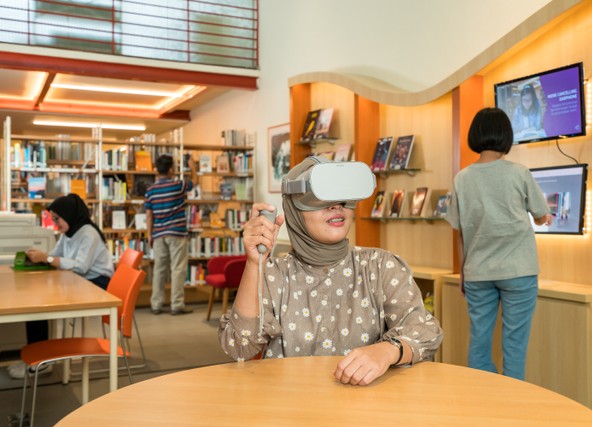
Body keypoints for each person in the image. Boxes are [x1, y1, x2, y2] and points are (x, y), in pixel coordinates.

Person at [218, 156, 443, 386]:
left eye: (343, 196)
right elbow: (239, 347)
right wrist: (255, 263)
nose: (336, 206)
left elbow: (425, 331)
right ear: (295, 210)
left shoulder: (381, 266)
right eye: (320, 196)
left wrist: (388, 350)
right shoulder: (274, 275)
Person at [444, 107, 552, 380]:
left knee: (479, 343)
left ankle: (483, 403)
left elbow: (459, 231)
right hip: (519, 271)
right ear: (506, 136)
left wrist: (463, 273)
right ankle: (512, 411)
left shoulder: (462, 178)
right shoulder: (519, 173)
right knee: (514, 346)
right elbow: (540, 217)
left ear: (475, 135)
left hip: (478, 272)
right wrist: (544, 215)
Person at [7, 193, 114, 379]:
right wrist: (41, 257)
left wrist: (47, 258)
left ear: (69, 213)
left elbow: (81, 266)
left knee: (39, 304)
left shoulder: (88, 233)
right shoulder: (69, 232)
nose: (55, 223)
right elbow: (56, 255)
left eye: (57, 218)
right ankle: (38, 358)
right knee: (37, 301)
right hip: (81, 279)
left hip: (98, 284)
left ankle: (41, 361)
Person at [145, 154, 198, 315]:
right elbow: (195, 182)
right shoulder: (178, 185)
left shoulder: (151, 190)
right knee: (178, 269)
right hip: (176, 233)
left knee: (159, 270)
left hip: (158, 234)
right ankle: (176, 305)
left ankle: (156, 304)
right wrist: (192, 166)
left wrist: (149, 235)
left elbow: (149, 215)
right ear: (170, 170)